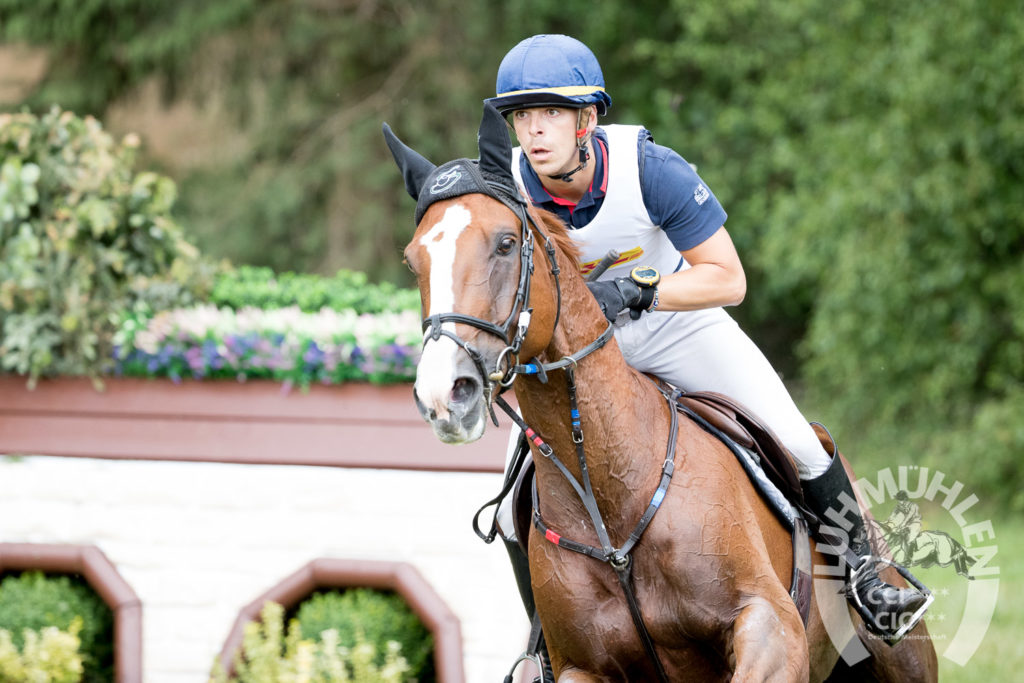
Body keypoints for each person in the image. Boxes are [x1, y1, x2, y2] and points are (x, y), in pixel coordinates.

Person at [485, 34, 930, 644]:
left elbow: (729, 279)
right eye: (522, 117)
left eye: (551, 113)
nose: (533, 132)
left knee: (798, 440)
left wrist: (639, 292)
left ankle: (866, 581)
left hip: (674, 327)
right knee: (513, 506)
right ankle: (547, 638)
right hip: (575, 360)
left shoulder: (652, 171)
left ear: (587, 118)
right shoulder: (505, 186)